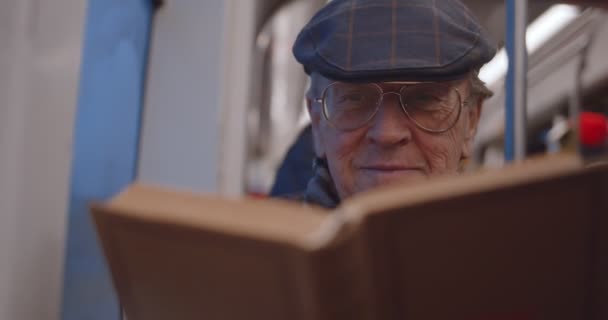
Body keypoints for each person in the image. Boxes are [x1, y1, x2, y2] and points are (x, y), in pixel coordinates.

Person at [290, 0, 497, 208]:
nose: (387, 134)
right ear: (317, 122)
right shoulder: (263, 238)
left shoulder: (516, 239)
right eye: (355, 99)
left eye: (424, 99)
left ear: (471, 121)